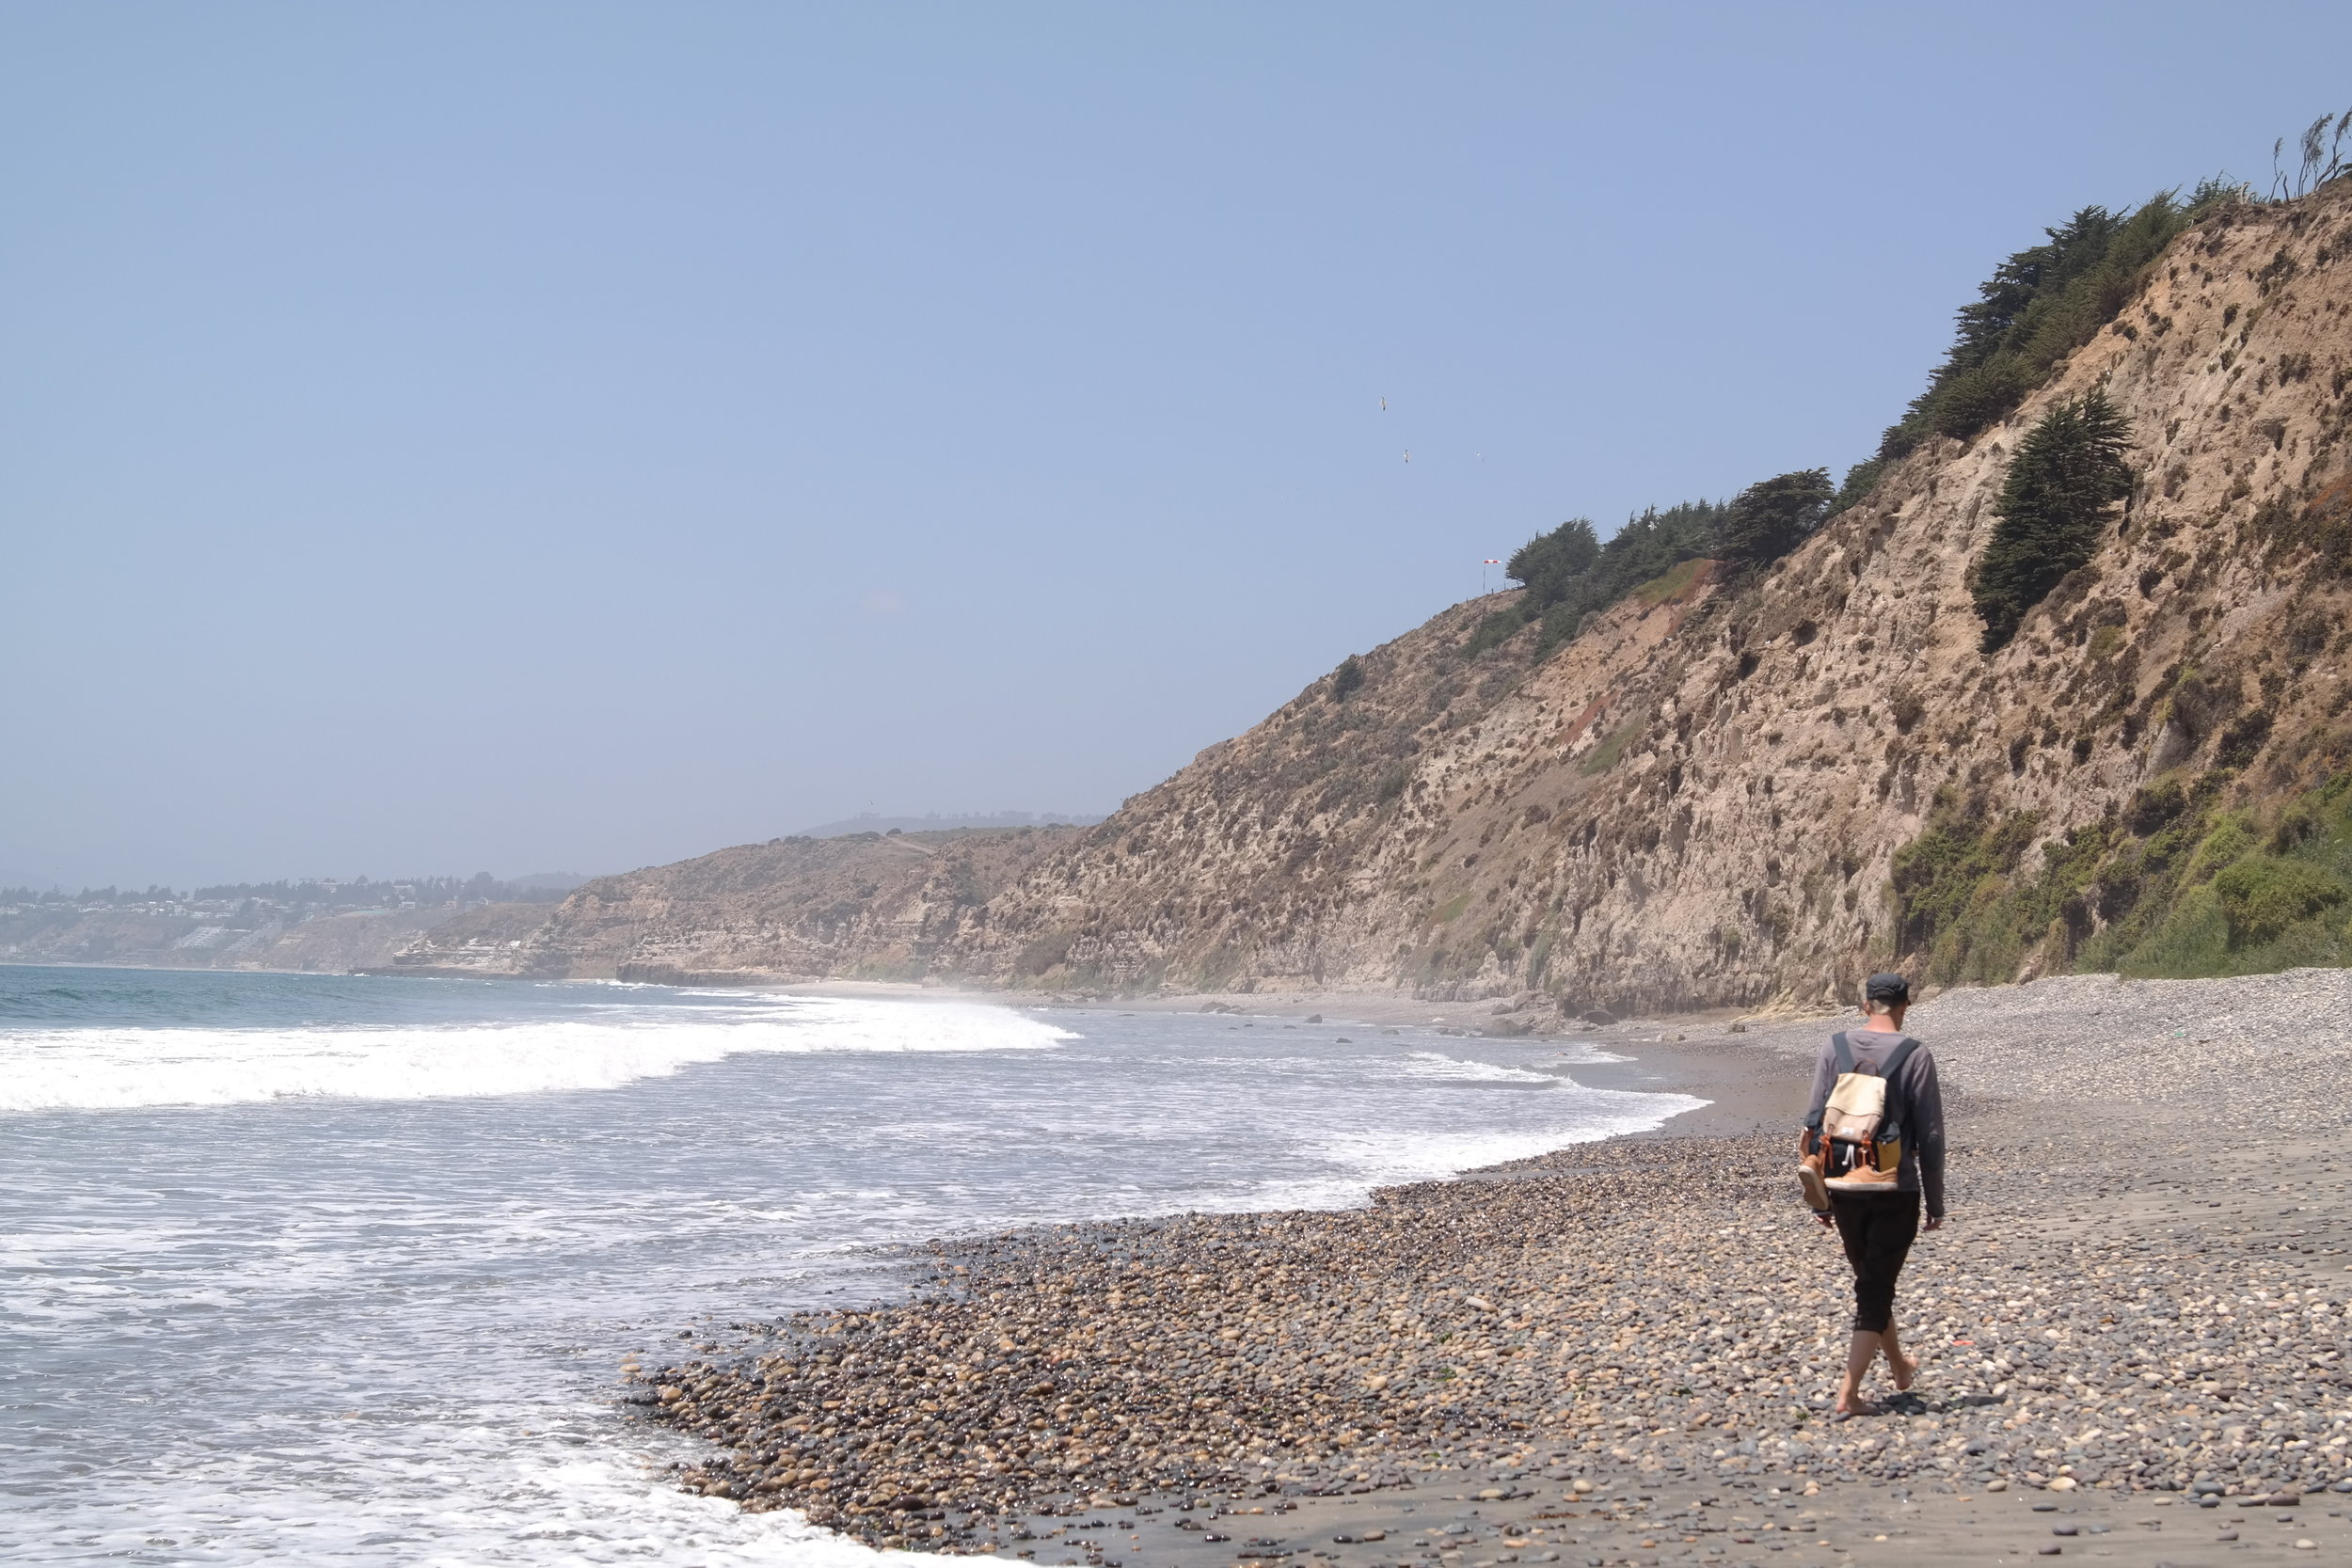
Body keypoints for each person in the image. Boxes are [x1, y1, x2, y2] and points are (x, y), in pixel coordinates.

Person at [1803, 971, 1945, 1417]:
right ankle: (1849, 1392)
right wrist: (1936, 1201)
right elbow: (1932, 1134)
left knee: (1872, 1284)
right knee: (1876, 1288)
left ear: (1866, 1005)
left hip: (1843, 1186)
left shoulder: (1835, 1047)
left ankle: (1900, 1366)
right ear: (1905, 1005)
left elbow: (1812, 1122)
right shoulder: (1914, 1054)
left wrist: (1819, 1195)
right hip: (1893, 1187)